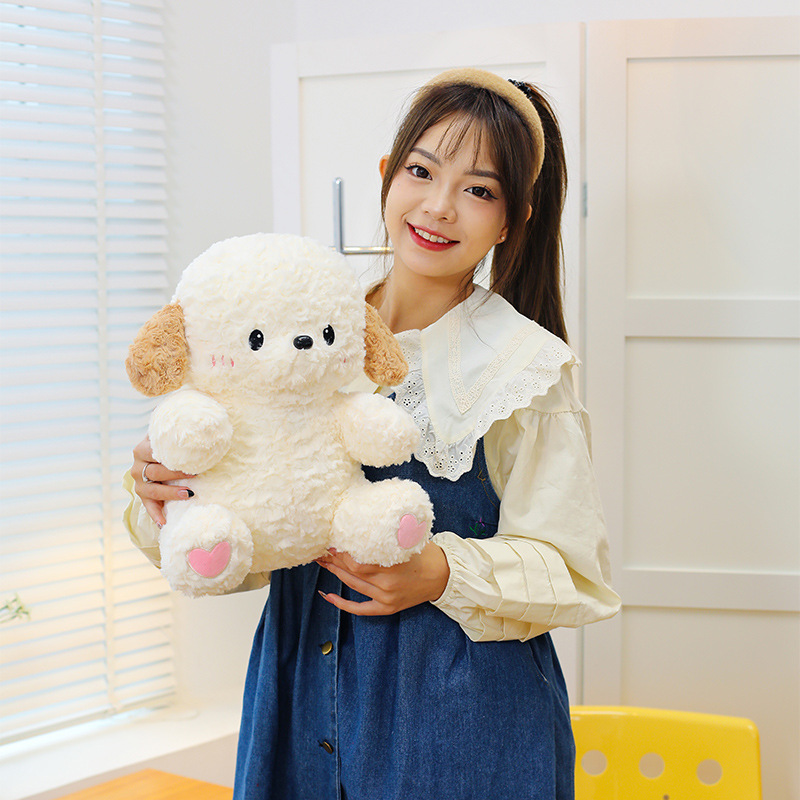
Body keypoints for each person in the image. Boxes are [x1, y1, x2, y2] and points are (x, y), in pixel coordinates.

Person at [124, 67, 620, 800]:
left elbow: (575, 571)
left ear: (511, 220)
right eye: (422, 171)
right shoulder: (292, 321)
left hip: (461, 722)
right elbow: (238, 542)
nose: (439, 206)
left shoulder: (523, 367)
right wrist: (166, 492)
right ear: (388, 174)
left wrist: (440, 571)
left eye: (479, 190)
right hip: (298, 694)